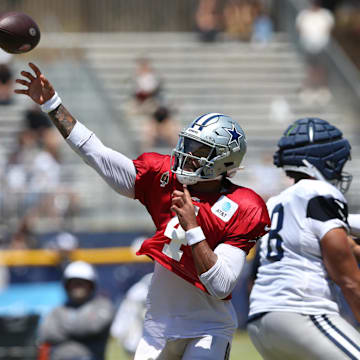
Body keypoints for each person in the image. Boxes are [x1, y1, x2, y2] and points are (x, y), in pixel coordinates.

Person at [15, 63, 270, 359]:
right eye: (189, 145)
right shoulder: (162, 175)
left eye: (199, 152)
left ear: (224, 163)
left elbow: (220, 285)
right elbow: (96, 153)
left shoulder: (244, 205)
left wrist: (193, 229)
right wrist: (52, 104)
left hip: (208, 326)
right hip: (158, 326)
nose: (186, 155)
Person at [247, 117, 360, 359]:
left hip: (261, 321)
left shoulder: (274, 204)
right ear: (319, 159)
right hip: (302, 313)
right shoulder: (320, 193)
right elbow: (350, 281)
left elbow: (254, 277)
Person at [38, 261, 114, 360]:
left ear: (91, 285)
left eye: (82, 283)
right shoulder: (58, 310)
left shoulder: (102, 306)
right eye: (74, 283)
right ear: (67, 286)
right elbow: (46, 333)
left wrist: (63, 328)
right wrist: (79, 330)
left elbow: (93, 327)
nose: (78, 286)